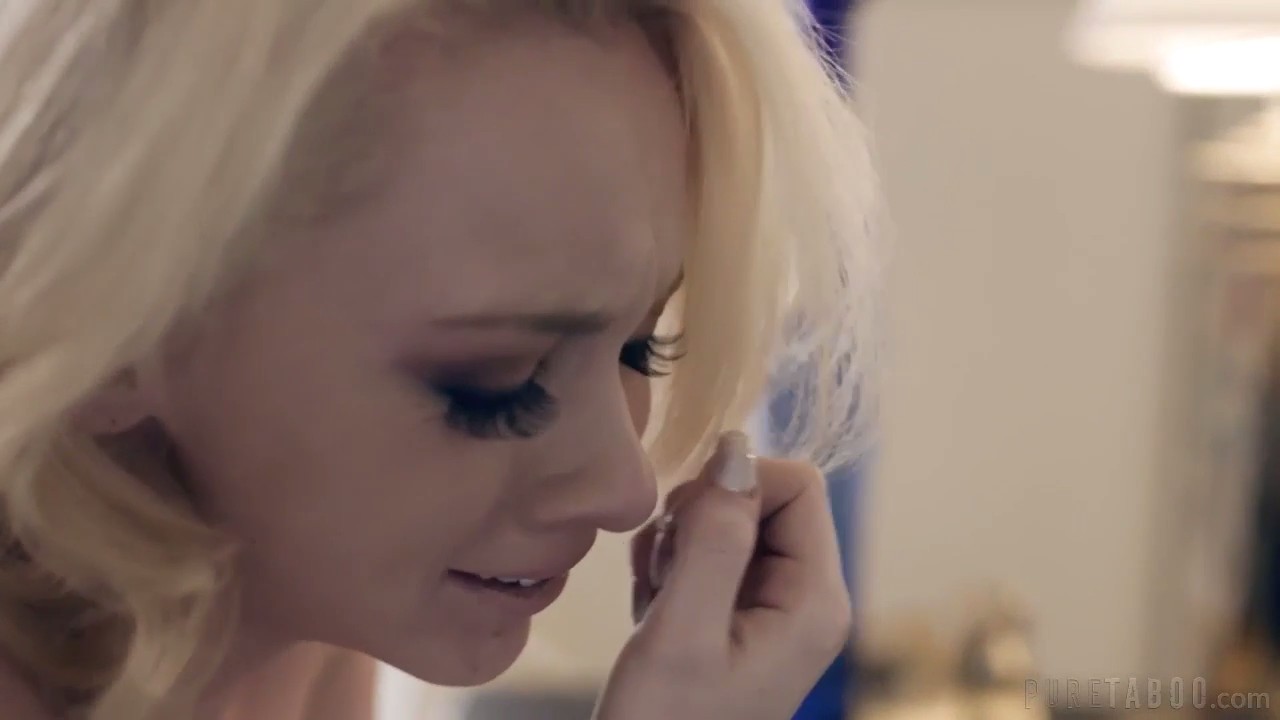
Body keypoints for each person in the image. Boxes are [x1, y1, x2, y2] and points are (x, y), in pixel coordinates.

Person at [0, 1, 880, 719]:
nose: (625, 490)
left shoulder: (296, 634)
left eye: (641, 347)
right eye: (491, 386)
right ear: (111, 336)